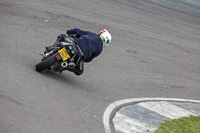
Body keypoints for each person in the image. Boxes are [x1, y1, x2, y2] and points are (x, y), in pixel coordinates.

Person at [48, 28, 112, 76]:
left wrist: (69, 31)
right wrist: (82, 59)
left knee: (62, 36)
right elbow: (89, 59)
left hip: (73, 43)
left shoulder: (93, 34)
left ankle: (52, 47)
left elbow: (78, 31)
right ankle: (65, 66)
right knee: (79, 71)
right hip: (79, 55)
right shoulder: (99, 49)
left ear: (101, 34)